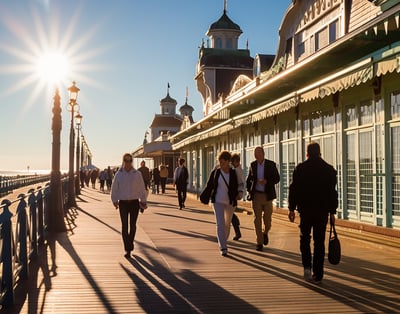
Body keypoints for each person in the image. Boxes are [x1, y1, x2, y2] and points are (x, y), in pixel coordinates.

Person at [288, 142, 338, 283]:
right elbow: (332, 193)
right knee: (319, 241)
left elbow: (294, 190)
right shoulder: (329, 170)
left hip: (305, 210)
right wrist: (332, 212)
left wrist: (291, 209)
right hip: (322, 211)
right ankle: (319, 272)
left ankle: (307, 267)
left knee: (305, 238)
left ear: (307, 153)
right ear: (320, 153)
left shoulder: (300, 169)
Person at [111, 153, 147, 259]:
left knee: (132, 225)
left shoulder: (137, 174)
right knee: (124, 226)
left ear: (131, 161)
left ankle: (130, 244)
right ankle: (127, 248)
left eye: (129, 161)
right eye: (126, 161)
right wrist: (114, 200)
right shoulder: (119, 174)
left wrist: (143, 201)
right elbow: (114, 188)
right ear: (123, 161)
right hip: (123, 203)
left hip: (134, 202)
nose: (128, 163)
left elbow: (142, 188)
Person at [204, 151, 239, 256]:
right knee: (220, 224)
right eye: (220, 162)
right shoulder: (216, 172)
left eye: (223, 162)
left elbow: (238, 185)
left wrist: (239, 193)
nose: (221, 165)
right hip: (217, 201)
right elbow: (209, 185)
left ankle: (224, 240)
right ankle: (223, 246)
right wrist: (205, 197)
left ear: (228, 162)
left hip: (230, 202)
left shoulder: (233, 173)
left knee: (227, 224)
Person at [246, 146, 280, 251]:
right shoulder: (253, 165)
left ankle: (265, 233)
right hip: (256, 195)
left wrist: (267, 181)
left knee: (267, 220)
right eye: (255, 153)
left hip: (267, 196)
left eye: (258, 153)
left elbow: (277, 178)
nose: (256, 155)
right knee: (257, 219)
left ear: (263, 154)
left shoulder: (271, 165)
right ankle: (259, 242)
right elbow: (249, 180)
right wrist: (249, 190)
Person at [231, 153, 244, 241]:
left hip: (233, 195)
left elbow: (241, 183)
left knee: (230, 214)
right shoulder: (237, 169)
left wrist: (240, 193)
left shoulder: (237, 170)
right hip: (233, 195)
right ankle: (237, 231)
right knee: (230, 213)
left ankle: (237, 231)